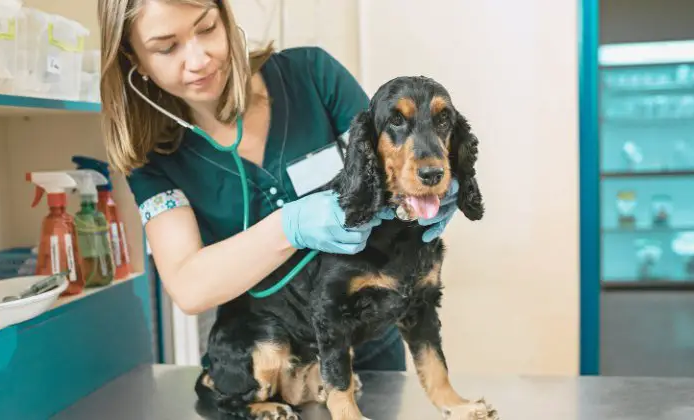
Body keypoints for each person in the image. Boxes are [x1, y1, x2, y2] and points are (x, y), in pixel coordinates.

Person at [98, 0, 458, 372]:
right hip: (265, 355)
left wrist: (432, 186)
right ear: (134, 59)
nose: (198, 59)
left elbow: (391, 164)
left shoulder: (313, 76)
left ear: (225, 18)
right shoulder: (151, 156)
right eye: (166, 47)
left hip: (364, 344)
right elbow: (190, 288)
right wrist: (290, 226)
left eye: (207, 28)